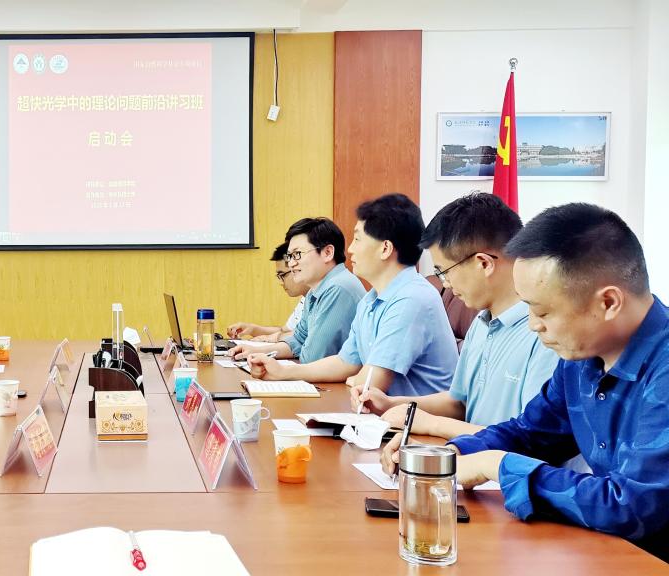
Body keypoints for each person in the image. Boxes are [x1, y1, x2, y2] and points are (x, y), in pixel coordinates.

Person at [382, 203, 669, 561]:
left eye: (543, 311)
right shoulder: (581, 359)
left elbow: (632, 506)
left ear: (608, 302)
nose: (533, 325)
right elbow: (530, 433)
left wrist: (495, 464)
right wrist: (453, 454)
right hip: (607, 553)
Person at [353, 193, 558, 439]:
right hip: (471, 456)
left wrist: (430, 424)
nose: (446, 284)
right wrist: (392, 403)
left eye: (444, 272)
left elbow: (531, 439)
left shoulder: (545, 334)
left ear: (484, 263)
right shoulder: (482, 323)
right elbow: (460, 403)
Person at [249, 194, 457, 397]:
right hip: (379, 413)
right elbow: (345, 362)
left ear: (385, 248)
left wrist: (357, 379)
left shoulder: (412, 298)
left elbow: (370, 382)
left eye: (357, 239)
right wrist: (283, 372)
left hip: (414, 419)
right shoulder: (371, 299)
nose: (350, 249)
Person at [229, 217, 365, 363]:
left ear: (327, 253)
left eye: (297, 254)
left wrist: (279, 368)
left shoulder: (338, 288)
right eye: (290, 256)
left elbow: (313, 356)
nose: (291, 263)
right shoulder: (315, 290)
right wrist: (256, 351)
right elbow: (298, 339)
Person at [227, 242, 308, 343]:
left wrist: (275, 338)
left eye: (282, 275)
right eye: (279, 276)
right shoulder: (305, 299)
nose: (281, 283)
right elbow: (286, 331)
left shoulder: (321, 297)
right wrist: (253, 329)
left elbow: (306, 336)